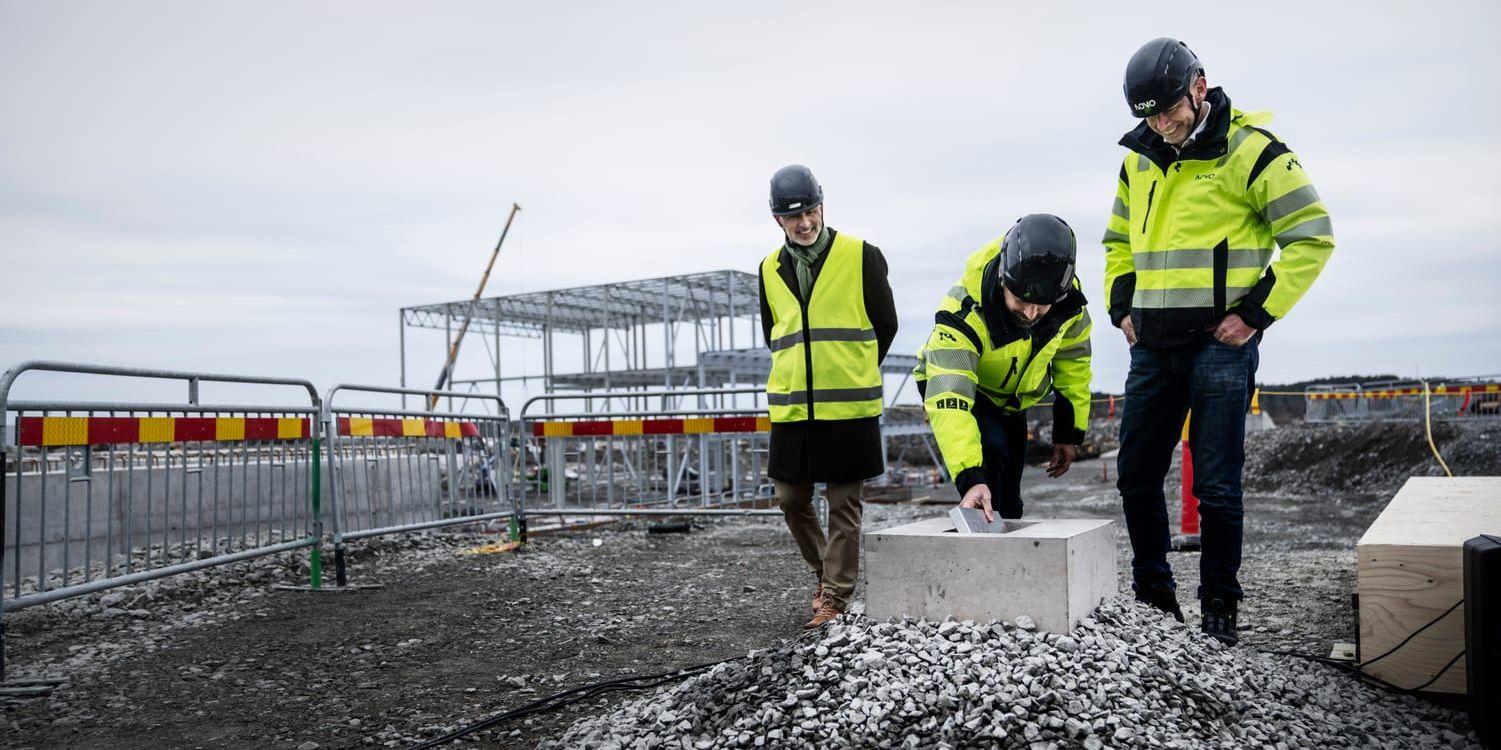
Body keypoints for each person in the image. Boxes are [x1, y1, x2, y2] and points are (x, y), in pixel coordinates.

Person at [1103, 38, 1335, 644]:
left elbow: (1313, 237)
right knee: (1135, 475)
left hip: (1220, 346)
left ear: (1198, 88)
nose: (1161, 123)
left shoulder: (1255, 154)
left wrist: (1256, 314)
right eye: (1147, 115)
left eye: (1168, 109)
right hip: (1151, 346)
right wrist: (1120, 307)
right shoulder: (1138, 159)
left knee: (1216, 483)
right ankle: (1154, 597)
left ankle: (1219, 607)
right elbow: (1117, 243)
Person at [757, 164, 898, 629]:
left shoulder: (861, 255)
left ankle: (836, 595)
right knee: (788, 497)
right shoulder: (768, 270)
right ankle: (824, 572)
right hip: (793, 406)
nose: (804, 223)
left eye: (810, 211)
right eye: (792, 216)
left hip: (848, 405)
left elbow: (886, 324)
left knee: (843, 504)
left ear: (822, 206)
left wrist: (851, 368)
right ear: (777, 219)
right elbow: (773, 333)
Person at [915, 214, 1092, 522]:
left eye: (1042, 305)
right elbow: (951, 399)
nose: (1032, 313)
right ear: (1002, 279)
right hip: (960, 388)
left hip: (1012, 399)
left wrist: (1069, 431)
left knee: (1010, 494)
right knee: (989, 461)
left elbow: (1073, 361)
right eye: (1021, 301)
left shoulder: (1067, 305)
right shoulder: (961, 315)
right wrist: (971, 478)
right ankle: (981, 549)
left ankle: (1008, 542)